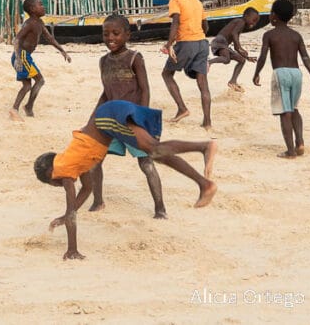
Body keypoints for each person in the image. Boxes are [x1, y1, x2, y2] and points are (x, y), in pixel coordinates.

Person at [33, 100, 217, 260]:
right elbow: (87, 189)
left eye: (52, 182)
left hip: (107, 117)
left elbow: (72, 211)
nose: (57, 185)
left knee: (154, 150)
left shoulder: (64, 171)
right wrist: (67, 215)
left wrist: (71, 249)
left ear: (51, 171)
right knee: (156, 153)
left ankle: (204, 147)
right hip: (108, 115)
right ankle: (204, 181)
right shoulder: (73, 163)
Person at [88, 14, 167, 218]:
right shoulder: (103, 61)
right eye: (106, 34)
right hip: (112, 119)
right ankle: (98, 201)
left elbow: (144, 90)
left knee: (146, 163)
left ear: (127, 34)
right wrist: (92, 120)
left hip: (134, 120)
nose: (110, 38)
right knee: (95, 159)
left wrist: (141, 120)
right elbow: (106, 93)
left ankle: (160, 207)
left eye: (116, 33)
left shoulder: (135, 58)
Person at [252, 0, 310, 158]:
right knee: (294, 108)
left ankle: (290, 151)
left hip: (280, 73)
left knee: (285, 112)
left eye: (271, 13)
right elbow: (305, 57)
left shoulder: (269, 35)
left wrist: (256, 73)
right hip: (296, 73)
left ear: (274, 16)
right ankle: (300, 142)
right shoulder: (296, 35)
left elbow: (262, 57)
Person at [160, 0, 212, 126]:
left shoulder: (176, 0)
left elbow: (175, 22)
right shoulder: (197, 2)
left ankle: (182, 108)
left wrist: (169, 44)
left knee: (167, 74)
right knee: (203, 83)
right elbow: (206, 26)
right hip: (202, 43)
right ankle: (207, 121)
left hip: (186, 43)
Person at [10, 0, 71, 120]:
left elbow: (50, 38)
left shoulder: (39, 23)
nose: (44, 7)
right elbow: (16, 39)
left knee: (28, 85)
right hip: (22, 56)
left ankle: (23, 107)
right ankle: (20, 108)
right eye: (41, 4)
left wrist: (62, 51)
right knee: (39, 81)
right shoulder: (30, 23)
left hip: (24, 56)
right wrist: (18, 58)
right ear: (33, 9)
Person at [206, 8, 261, 91]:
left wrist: (247, 57)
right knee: (226, 58)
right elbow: (234, 34)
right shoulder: (240, 22)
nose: (254, 23)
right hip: (220, 41)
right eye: (253, 20)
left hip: (224, 44)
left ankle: (233, 81)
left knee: (241, 60)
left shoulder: (240, 26)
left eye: (256, 21)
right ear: (246, 16)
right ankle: (208, 62)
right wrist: (240, 47)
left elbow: (236, 46)